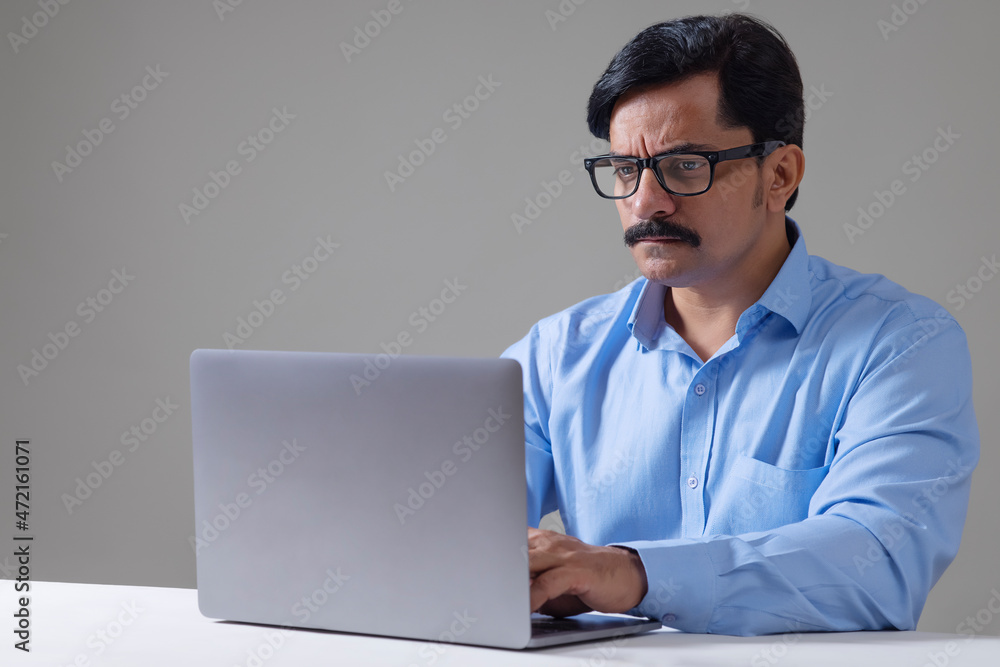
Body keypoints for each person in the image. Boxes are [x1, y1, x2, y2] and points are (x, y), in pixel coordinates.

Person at [501, 13, 979, 636]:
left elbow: (877, 561)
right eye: (625, 170)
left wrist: (637, 575)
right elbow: (447, 526)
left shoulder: (898, 344)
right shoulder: (555, 354)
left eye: (685, 165)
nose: (646, 202)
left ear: (780, 175)